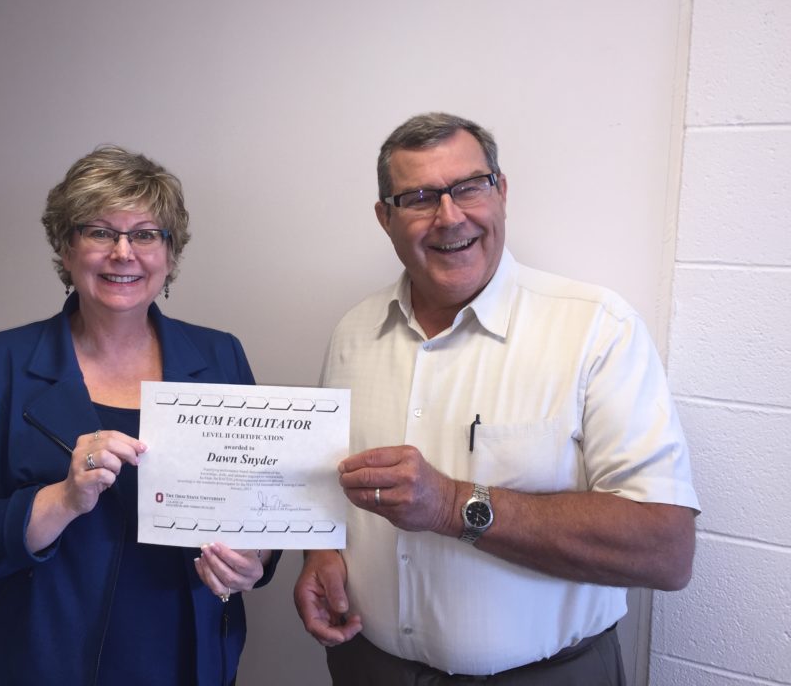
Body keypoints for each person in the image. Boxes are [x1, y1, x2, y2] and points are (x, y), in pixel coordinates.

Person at [293, 113, 699, 685]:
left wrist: (451, 503)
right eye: (418, 198)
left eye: (469, 187)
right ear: (385, 218)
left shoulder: (598, 330)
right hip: (368, 667)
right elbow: (325, 487)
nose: (449, 216)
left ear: (501, 191)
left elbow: (666, 549)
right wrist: (320, 554)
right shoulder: (353, 333)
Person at [0, 145, 277, 686]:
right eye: (100, 232)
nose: (123, 253)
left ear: (170, 254)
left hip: (182, 660)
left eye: (146, 235)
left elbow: (260, 507)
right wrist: (61, 500)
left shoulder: (220, 357)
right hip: (31, 661)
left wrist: (253, 560)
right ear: (66, 248)